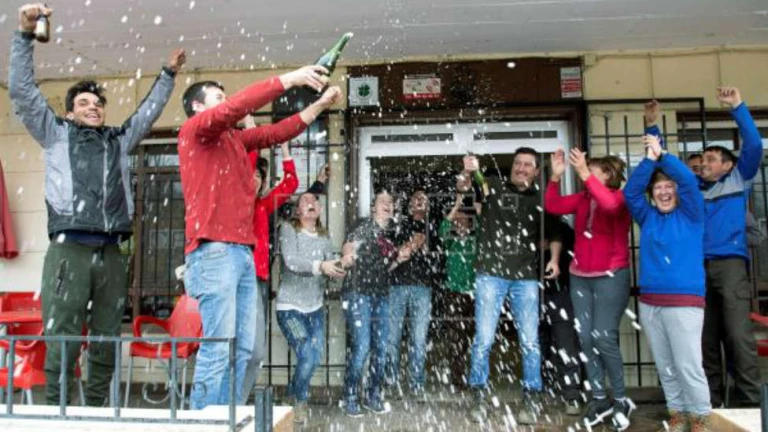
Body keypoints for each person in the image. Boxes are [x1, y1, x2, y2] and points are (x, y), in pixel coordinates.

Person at [9, 3, 184, 406]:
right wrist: (24, 35)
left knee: (106, 338)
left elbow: (148, 113)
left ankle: (98, 411)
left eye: (98, 104)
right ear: (70, 112)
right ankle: (59, 411)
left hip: (111, 253)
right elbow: (22, 91)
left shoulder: (118, 141)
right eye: (84, 103)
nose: (93, 108)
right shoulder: (54, 133)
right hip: (68, 250)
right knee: (63, 336)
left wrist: (166, 76)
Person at [178, 64, 341, 409]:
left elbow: (278, 132)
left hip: (242, 254)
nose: (226, 102)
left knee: (244, 349)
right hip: (214, 251)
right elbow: (236, 107)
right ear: (197, 106)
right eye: (218, 97)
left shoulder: (235, 140)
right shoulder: (196, 131)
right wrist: (291, 79)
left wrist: (319, 106)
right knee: (218, 347)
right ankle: (202, 422)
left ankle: (227, 417)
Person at [648, 88, 762, 407]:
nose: (704, 164)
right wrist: (652, 123)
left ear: (728, 165)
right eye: (703, 160)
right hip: (696, 268)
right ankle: (710, 402)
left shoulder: (738, 179)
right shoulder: (692, 188)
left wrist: (737, 106)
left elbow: (754, 145)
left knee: (738, 334)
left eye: (711, 159)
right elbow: (663, 160)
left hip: (730, 265)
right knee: (704, 337)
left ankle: (750, 402)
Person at [464, 149, 562, 425]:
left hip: (526, 277)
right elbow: (472, 186)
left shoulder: (541, 198)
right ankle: (478, 394)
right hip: (490, 275)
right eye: (518, 163)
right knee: (483, 339)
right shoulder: (493, 186)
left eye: (527, 165)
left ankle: (531, 396)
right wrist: (470, 171)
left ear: (536, 171)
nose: (521, 168)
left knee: (530, 341)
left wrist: (554, 259)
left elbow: (555, 232)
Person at [624, 134, 711, 432]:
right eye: (658, 188)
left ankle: (700, 420)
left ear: (677, 192)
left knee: (688, 366)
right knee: (666, 366)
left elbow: (687, 181)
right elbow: (631, 193)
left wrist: (663, 156)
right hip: (650, 303)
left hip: (684, 302)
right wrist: (649, 162)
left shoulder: (692, 214)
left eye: (668, 187)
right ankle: (678, 416)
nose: (663, 191)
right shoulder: (647, 217)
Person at [545, 149, 634, 429]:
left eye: (592, 170)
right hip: (580, 277)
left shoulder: (620, 198)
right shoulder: (583, 198)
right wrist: (555, 177)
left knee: (603, 337)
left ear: (608, 175)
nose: (584, 175)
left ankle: (620, 398)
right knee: (585, 338)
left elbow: (609, 205)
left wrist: (583, 172)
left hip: (611, 275)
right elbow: (553, 206)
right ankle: (598, 399)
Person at [275, 191, 348, 424]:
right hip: (290, 308)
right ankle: (300, 401)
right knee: (306, 353)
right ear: (298, 210)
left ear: (320, 210)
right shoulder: (288, 229)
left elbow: (330, 273)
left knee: (314, 357)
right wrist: (321, 265)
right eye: (305, 200)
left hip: (314, 308)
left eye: (315, 200)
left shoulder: (325, 238)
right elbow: (291, 262)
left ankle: (291, 393)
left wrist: (341, 267)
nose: (311, 203)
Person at [341, 188, 409, 417]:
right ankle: (350, 396)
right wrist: (347, 256)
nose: (388, 205)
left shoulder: (391, 234)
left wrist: (399, 259)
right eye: (383, 201)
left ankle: (373, 396)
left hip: (381, 294)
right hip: (358, 292)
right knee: (362, 346)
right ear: (373, 208)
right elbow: (348, 247)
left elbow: (386, 268)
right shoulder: (363, 224)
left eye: (391, 202)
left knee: (381, 348)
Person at [240, 141, 299, 401]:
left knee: (255, 354)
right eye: (251, 174)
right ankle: (227, 405)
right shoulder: (235, 204)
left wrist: (285, 149)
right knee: (239, 350)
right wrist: (254, 132)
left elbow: (291, 184)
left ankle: (237, 402)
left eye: (259, 176)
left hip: (259, 283)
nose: (254, 179)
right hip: (238, 281)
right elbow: (247, 164)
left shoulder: (264, 205)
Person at [387, 189, 441, 401]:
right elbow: (392, 254)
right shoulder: (398, 225)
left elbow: (439, 260)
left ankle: (416, 384)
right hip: (397, 286)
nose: (419, 201)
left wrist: (425, 248)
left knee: (418, 340)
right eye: (416, 198)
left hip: (423, 288)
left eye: (423, 199)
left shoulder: (433, 227)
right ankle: (391, 382)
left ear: (428, 206)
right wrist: (411, 244)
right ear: (409, 205)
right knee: (392, 338)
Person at [538, 219, 582, 417]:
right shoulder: (527, 220)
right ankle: (543, 391)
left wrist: (550, 246)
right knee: (539, 345)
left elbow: (572, 247)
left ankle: (571, 394)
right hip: (532, 291)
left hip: (558, 292)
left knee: (565, 345)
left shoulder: (561, 226)